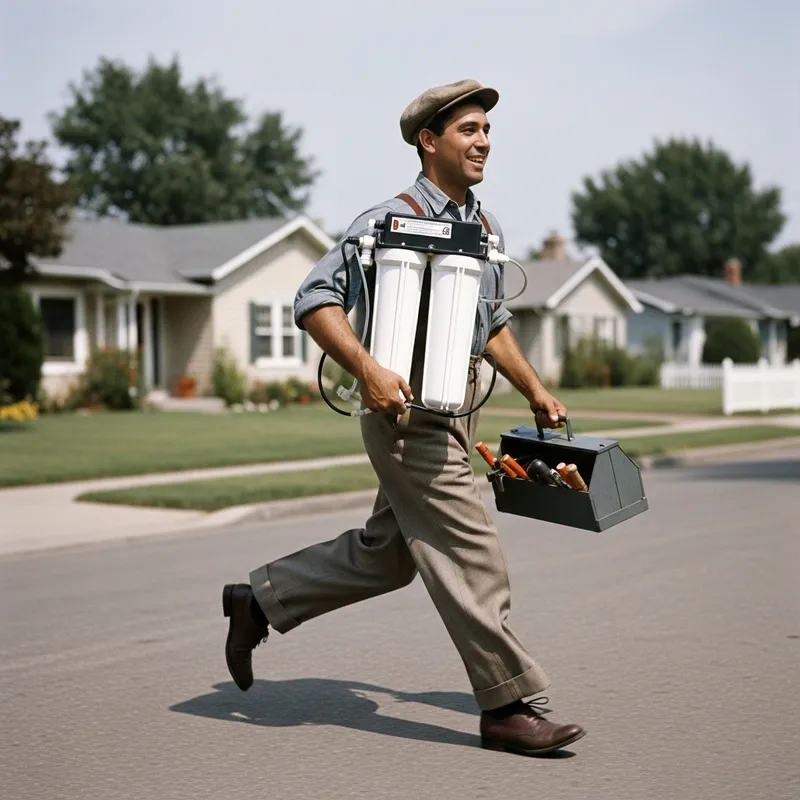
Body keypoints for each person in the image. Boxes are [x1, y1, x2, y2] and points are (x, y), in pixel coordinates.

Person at [222, 79, 586, 757]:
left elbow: (492, 321)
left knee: (389, 557)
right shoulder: (383, 223)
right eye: (469, 130)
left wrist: (535, 387)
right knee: (471, 549)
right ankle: (506, 706)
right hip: (404, 417)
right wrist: (368, 370)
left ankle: (259, 601)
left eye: (486, 132)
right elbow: (314, 298)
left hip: (458, 413)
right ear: (429, 139)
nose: (483, 143)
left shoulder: (485, 227)